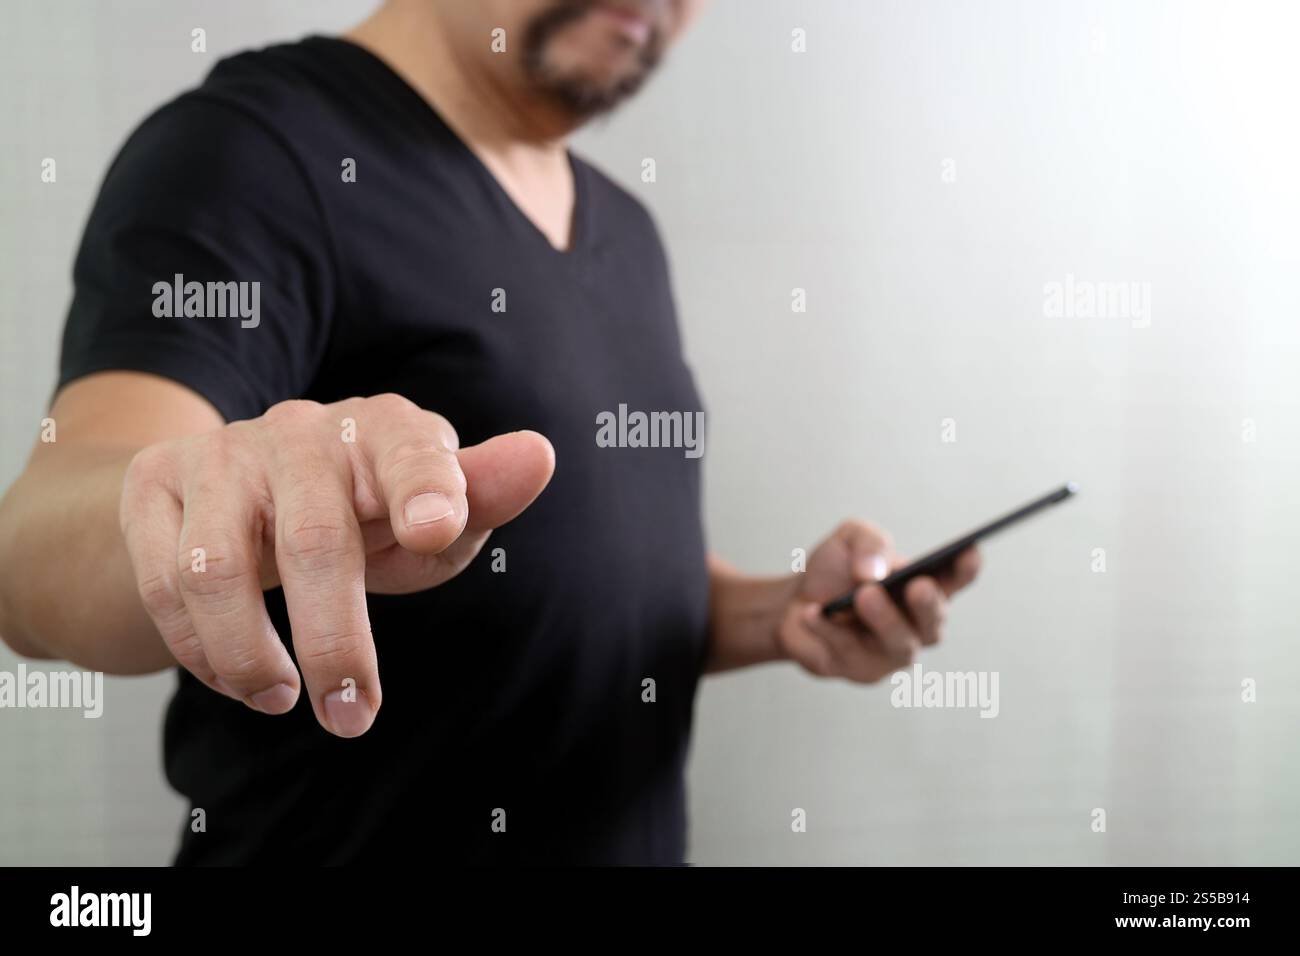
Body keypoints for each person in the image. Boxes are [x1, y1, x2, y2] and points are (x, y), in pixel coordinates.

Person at [0, 0, 980, 864]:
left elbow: (593, 576)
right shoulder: (251, 150)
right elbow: (33, 550)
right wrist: (226, 483)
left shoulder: (624, 228)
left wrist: (781, 613)